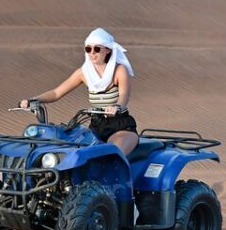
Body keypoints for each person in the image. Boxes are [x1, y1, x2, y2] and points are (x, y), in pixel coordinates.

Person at [20, 27, 139, 156]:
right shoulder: (83, 73)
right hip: (96, 126)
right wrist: (34, 100)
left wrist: (117, 106)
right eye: (88, 49)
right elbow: (56, 93)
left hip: (119, 125)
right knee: (76, 154)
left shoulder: (119, 70)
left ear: (108, 49)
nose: (92, 53)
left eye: (97, 49)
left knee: (112, 154)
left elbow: (124, 94)